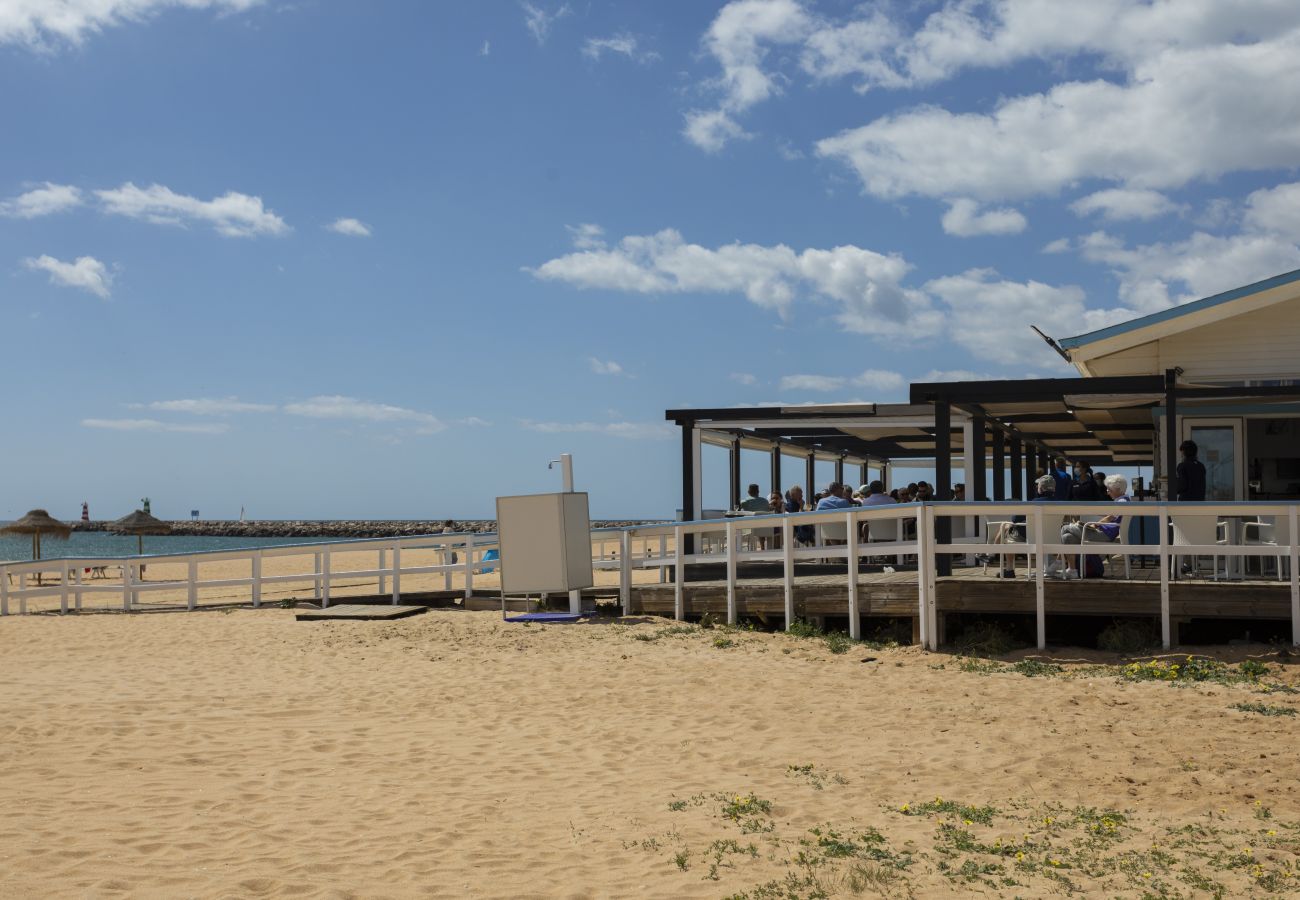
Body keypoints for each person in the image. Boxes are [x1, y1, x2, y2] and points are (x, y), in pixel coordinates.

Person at [1060, 474, 1130, 579]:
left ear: (1118, 489)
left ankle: (1058, 561)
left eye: (1109, 490)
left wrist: (1094, 524)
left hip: (1103, 535)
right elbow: (1111, 515)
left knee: (1065, 528)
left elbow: (1110, 517)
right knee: (1067, 537)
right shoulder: (1124, 500)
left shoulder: (1122, 502)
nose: (1107, 492)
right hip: (1104, 534)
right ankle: (1072, 569)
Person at [992, 474, 1056, 577]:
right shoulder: (1060, 502)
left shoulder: (1034, 503)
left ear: (1041, 488)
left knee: (1008, 533)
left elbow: (1015, 519)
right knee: (1009, 526)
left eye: (1038, 485)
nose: (1037, 487)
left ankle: (1009, 569)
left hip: (1032, 538)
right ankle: (991, 554)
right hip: (1053, 537)